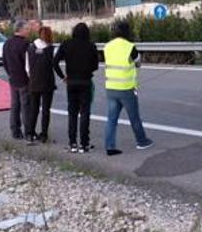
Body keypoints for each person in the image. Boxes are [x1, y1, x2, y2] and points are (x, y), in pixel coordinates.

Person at [103, 20, 153, 156]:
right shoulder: (130, 46)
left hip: (111, 88)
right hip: (126, 89)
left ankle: (109, 146)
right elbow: (138, 62)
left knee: (111, 119)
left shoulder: (107, 46)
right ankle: (142, 141)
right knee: (134, 117)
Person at [53, 22, 98, 153]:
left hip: (71, 82)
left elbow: (54, 62)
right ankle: (84, 144)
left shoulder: (66, 44)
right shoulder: (91, 46)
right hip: (85, 82)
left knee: (72, 113)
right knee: (85, 113)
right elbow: (95, 66)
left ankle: (72, 143)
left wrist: (63, 77)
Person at [25, 26, 56, 145]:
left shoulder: (30, 48)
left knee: (34, 109)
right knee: (46, 110)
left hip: (34, 82)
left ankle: (30, 133)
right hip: (47, 83)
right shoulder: (51, 49)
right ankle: (44, 135)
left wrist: (32, 77)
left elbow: (27, 67)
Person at [2, 20, 32, 139]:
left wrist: (10, 73)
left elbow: (4, 61)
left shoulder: (7, 43)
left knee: (15, 105)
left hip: (13, 78)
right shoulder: (25, 44)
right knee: (26, 106)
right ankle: (28, 131)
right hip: (24, 78)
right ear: (20, 30)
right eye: (27, 29)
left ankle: (15, 130)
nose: (28, 31)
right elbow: (28, 63)